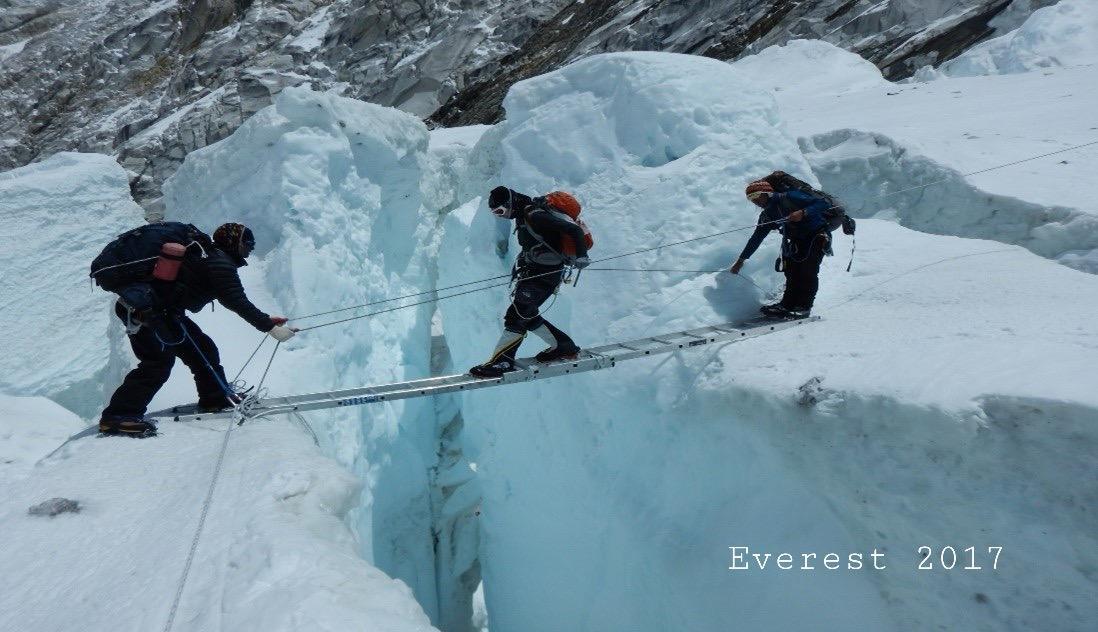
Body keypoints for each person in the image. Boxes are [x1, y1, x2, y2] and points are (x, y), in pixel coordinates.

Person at [99, 223, 296, 436]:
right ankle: (118, 416)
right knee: (157, 362)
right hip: (146, 311)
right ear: (235, 243)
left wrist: (267, 320)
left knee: (203, 349)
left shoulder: (211, 257)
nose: (250, 249)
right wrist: (268, 326)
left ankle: (214, 398)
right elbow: (236, 301)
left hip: (160, 310)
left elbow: (232, 298)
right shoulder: (219, 263)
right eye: (248, 244)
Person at [469, 187, 591, 378]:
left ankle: (502, 362)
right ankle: (563, 346)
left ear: (511, 203)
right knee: (527, 313)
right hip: (535, 273)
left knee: (517, 315)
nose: (501, 216)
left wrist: (582, 256)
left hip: (545, 275)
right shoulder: (524, 215)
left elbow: (573, 230)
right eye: (496, 214)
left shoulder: (535, 215)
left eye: (500, 211)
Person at [729, 179, 831, 318]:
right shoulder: (767, 215)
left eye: (756, 195)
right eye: (750, 198)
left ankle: (804, 306)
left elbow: (823, 203)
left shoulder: (790, 196)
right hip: (795, 241)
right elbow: (756, 238)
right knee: (791, 272)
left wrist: (803, 212)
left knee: (807, 271)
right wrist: (741, 260)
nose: (755, 201)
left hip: (816, 236)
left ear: (767, 192)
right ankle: (787, 305)